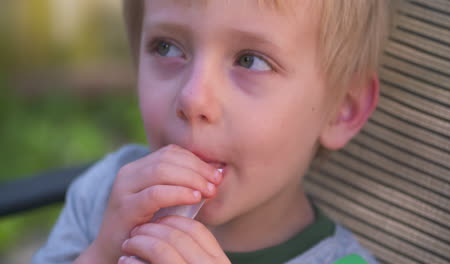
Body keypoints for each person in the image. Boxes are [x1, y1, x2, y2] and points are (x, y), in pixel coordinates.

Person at [32, 0, 393, 263]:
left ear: (341, 111)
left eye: (250, 60)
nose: (193, 98)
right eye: (167, 47)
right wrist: (100, 255)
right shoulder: (105, 193)